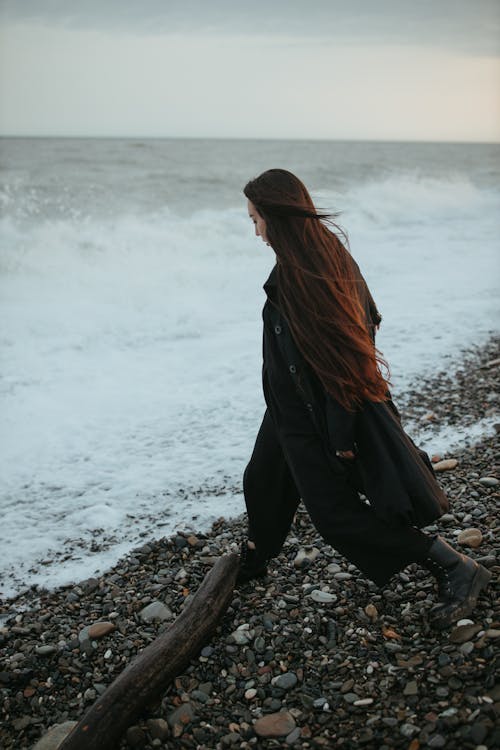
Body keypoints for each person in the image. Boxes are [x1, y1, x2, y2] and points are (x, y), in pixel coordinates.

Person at [238, 168, 491, 630]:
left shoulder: (306, 276)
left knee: (337, 517)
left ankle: (454, 565)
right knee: (262, 479)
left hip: (314, 415)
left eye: (256, 220)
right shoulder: (318, 258)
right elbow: (368, 321)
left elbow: (350, 357)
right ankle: (254, 557)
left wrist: (340, 437)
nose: (255, 231)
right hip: (287, 407)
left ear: (276, 217)